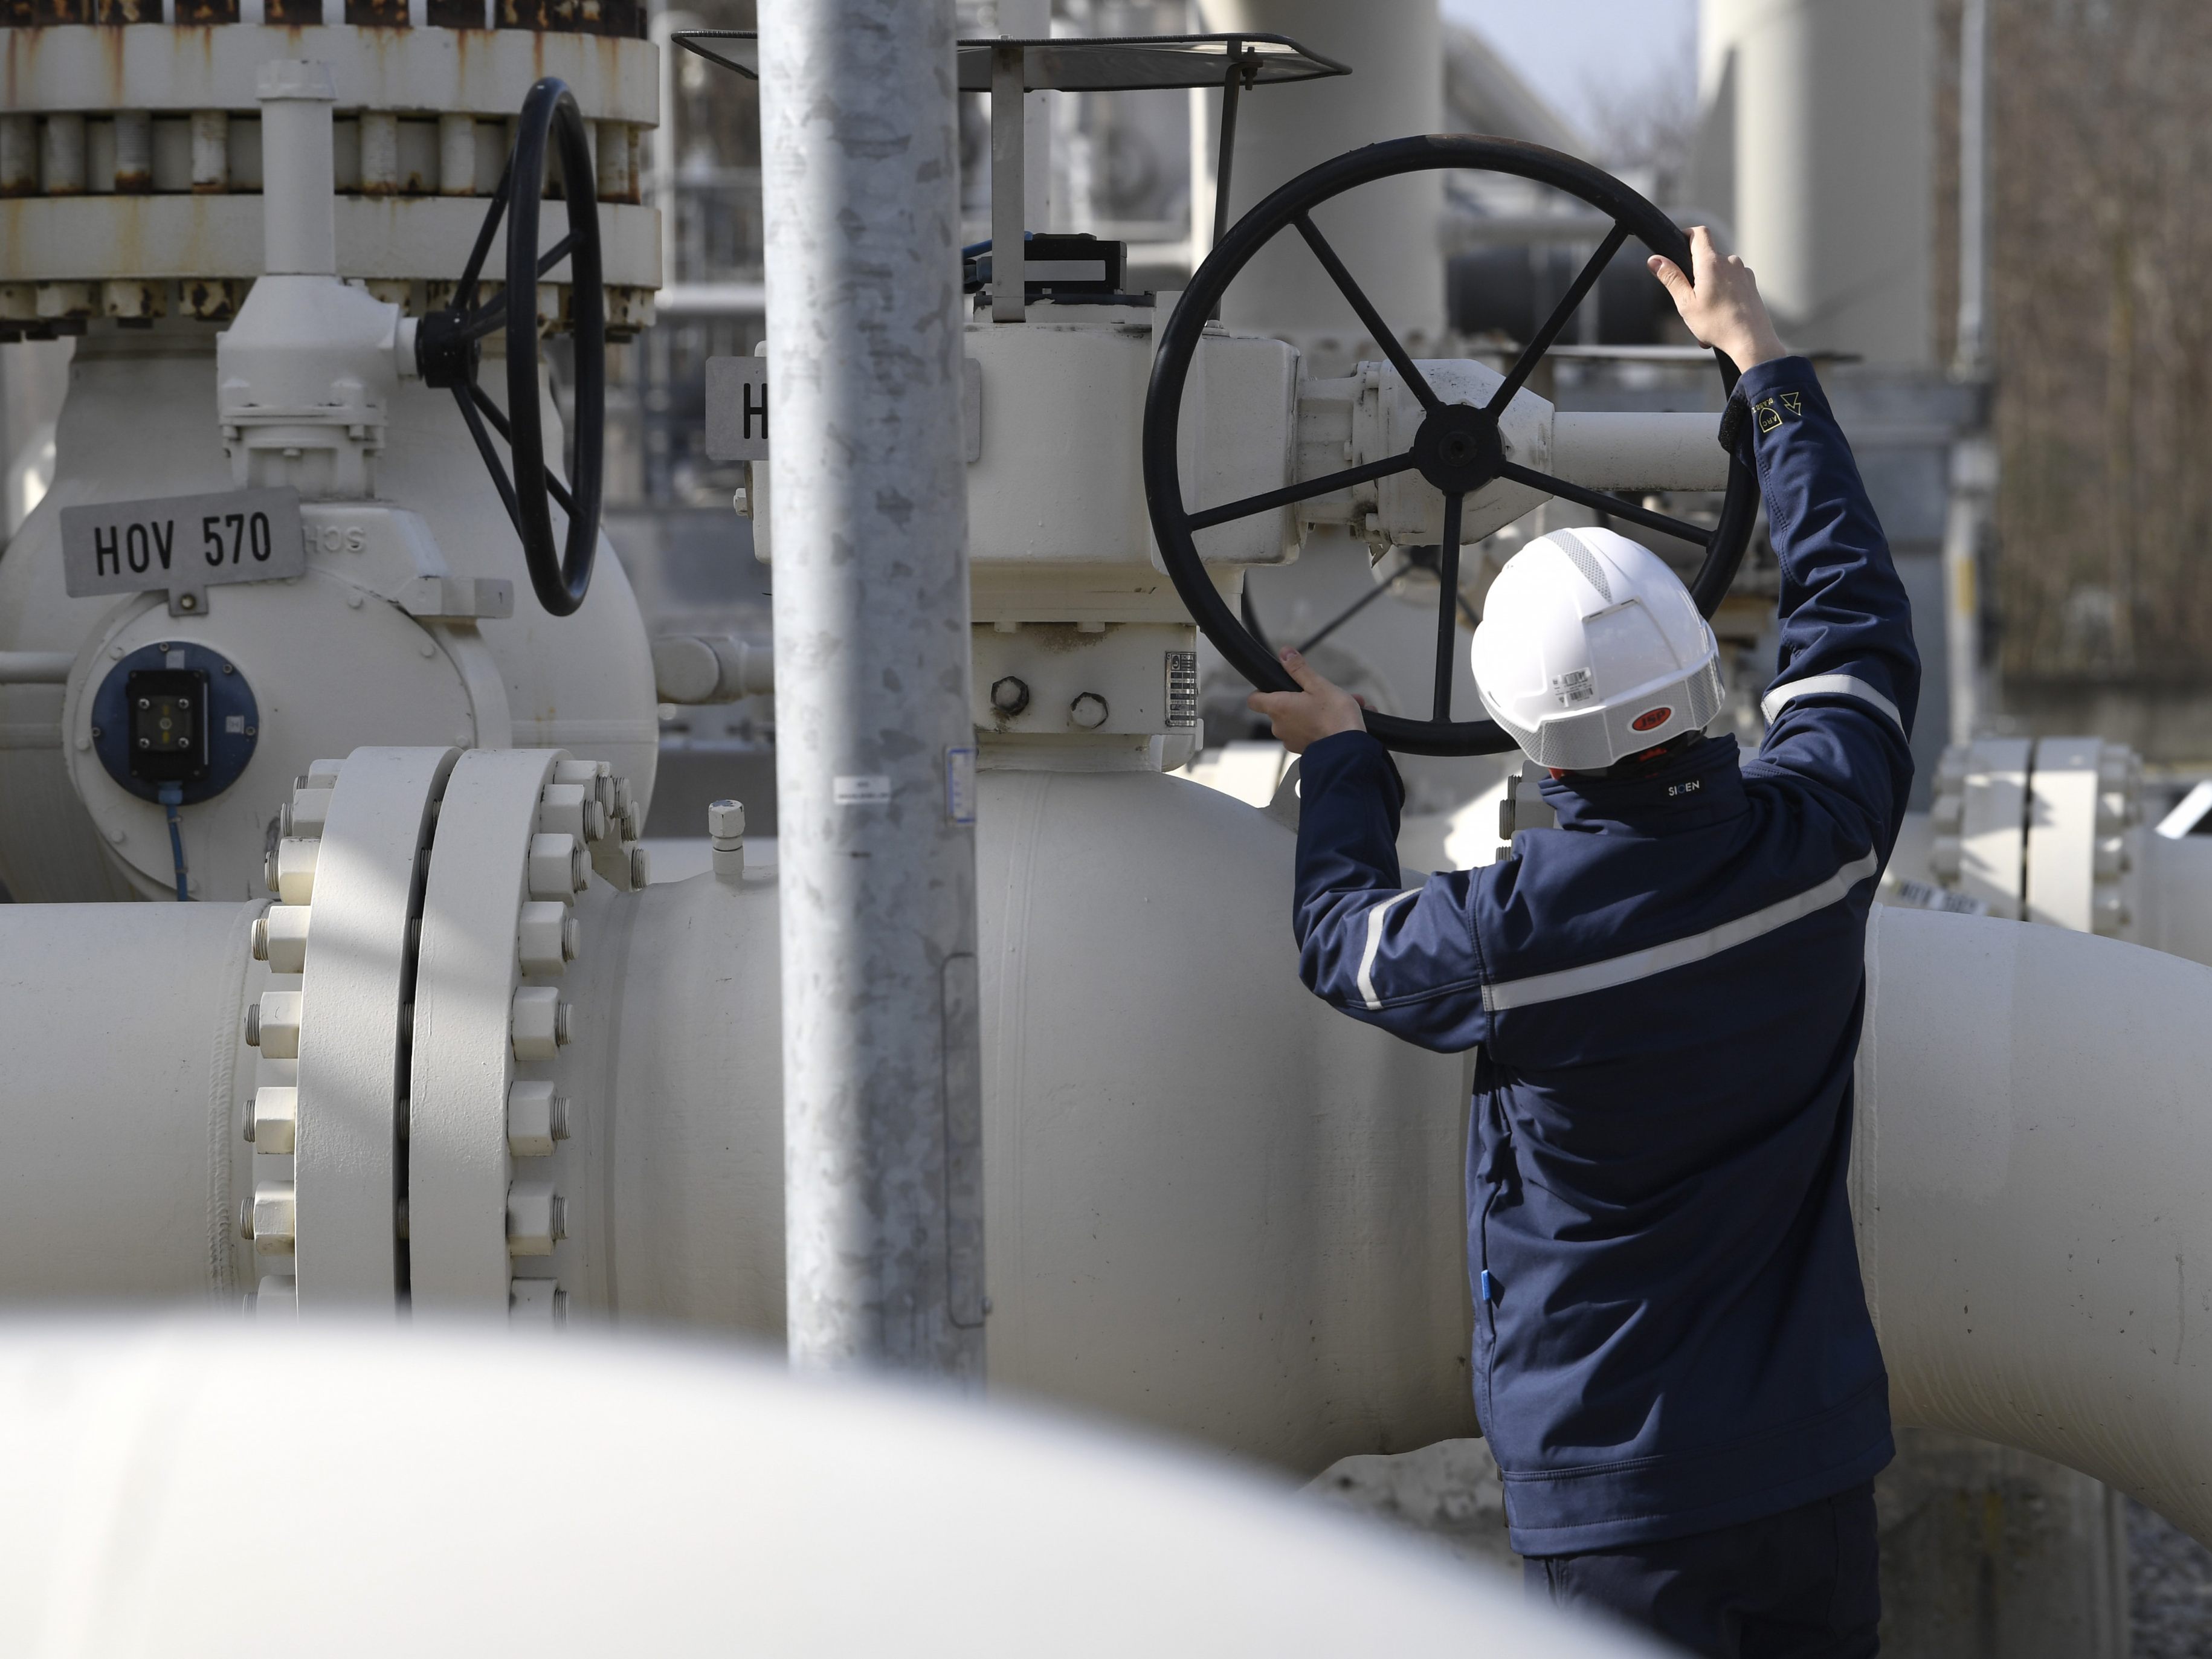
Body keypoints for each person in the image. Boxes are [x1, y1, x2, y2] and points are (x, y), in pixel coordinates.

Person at [1248, 228, 1917, 1659]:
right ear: (1699, 670)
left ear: (1527, 739)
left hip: (1621, 1495)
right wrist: (1762, 365)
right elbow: (1853, 613)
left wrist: (1349, 759)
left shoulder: (1520, 937)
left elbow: (1345, 946)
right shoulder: (1822, 840)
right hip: (1810, 1459)